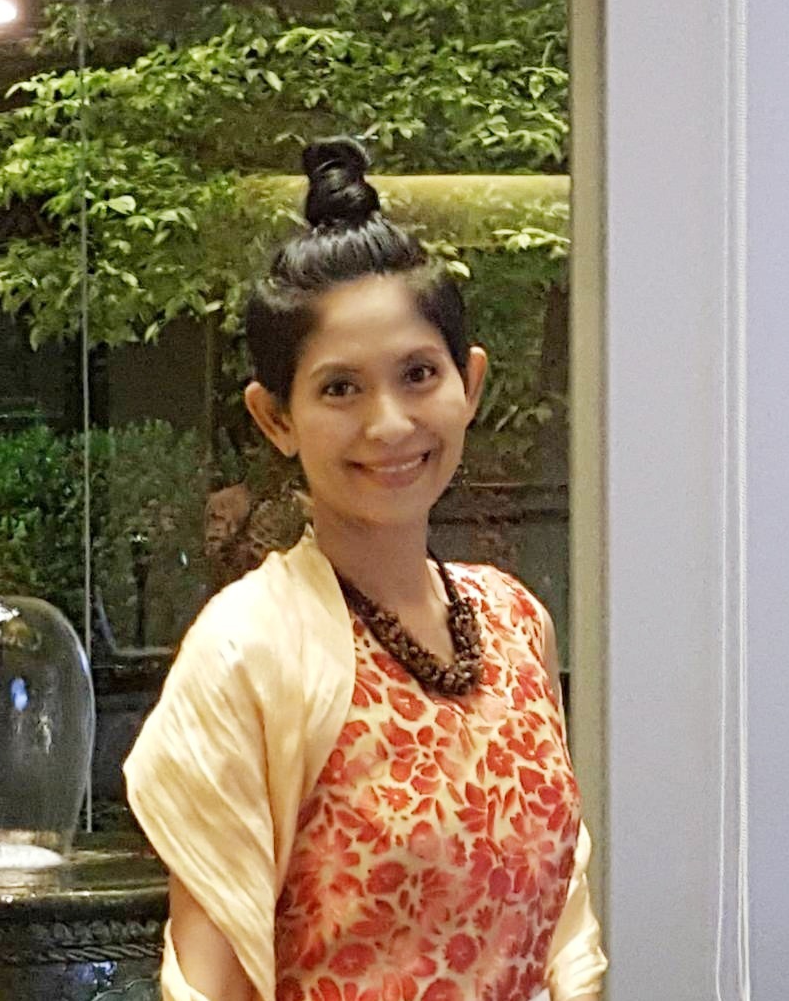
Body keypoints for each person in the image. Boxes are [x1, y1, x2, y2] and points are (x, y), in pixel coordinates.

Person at [124, 137, 607, 1001]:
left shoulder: (514, 621)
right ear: (275, 418)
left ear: (470, 383)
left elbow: (565, 939)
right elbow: (207, 985)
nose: (389, 424)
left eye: (418, 374)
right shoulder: (248, 650)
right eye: (341, 388)